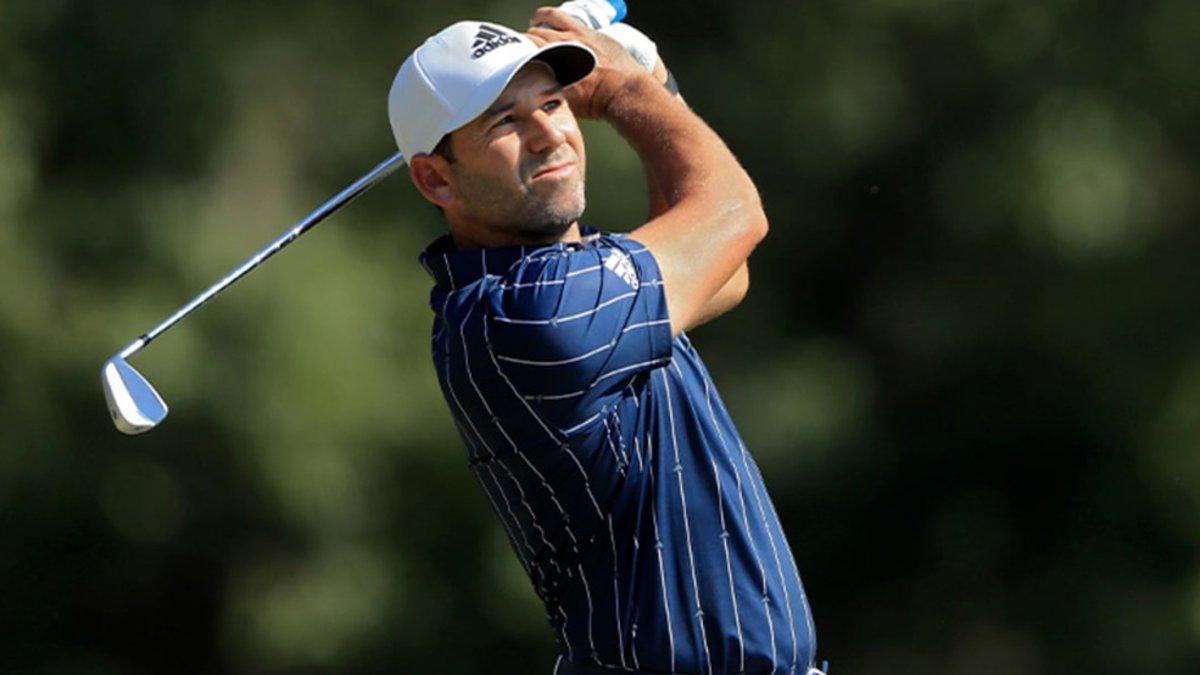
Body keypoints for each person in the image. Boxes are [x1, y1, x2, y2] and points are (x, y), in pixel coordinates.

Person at [390, 8, 824, 674]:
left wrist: (655, 82)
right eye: (506, 120)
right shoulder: (529, 316)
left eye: (555, 103)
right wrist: (626, 92)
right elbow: (736, 214)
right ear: (435, 178)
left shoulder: (562, 288)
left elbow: (724, 270)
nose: (549, 134)